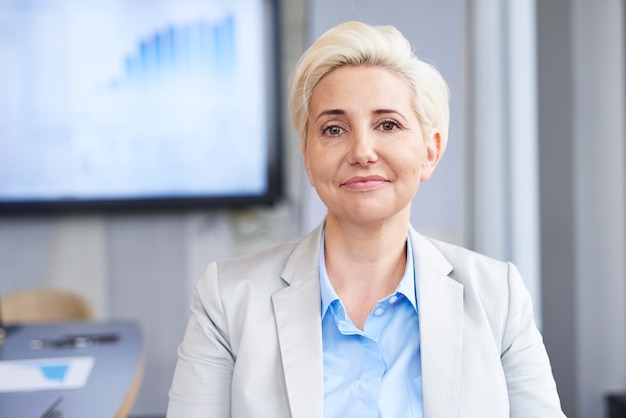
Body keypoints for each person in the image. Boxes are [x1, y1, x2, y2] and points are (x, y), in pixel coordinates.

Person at [167, 21, 565, 418]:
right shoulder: (228, 299)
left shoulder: (499, 297)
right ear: (307, 156)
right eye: (334, 129)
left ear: (430, 151)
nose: (362, 151)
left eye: (388, 124)